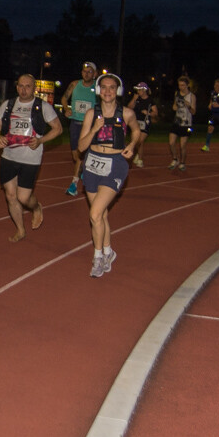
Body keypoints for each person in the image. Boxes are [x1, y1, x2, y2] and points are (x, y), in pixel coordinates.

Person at [78, 73, 141, 277]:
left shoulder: (127, 113)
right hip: (92, 164)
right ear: (98, 91)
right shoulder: (91, 114)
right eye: (103, 87)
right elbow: (81, 147)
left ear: (118, 91)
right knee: (101, 215)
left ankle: (98, 258)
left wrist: (132, 145)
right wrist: (94, 128)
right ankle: (108, 251)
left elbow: (136, 130)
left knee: (95, 214)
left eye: (111, 87)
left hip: (115, 165)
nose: (107, 91)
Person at [0, 73, 63, 242]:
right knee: (10, 195)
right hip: (9, 156)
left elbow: (58, 129)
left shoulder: (42, 107)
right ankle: (20, 229)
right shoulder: (8, 105)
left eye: (28, 86)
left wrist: (40, 141)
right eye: (21, 86)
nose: (24, 90)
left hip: (30, 158)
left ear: (34, 88)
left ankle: (36, 207)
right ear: (17, 87)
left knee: (23, 198)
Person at [61, 61, 98, 195]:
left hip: (89, 126)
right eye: (84, 71)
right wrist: (66, 109)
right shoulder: (74, 84)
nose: (86, 73)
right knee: (76, 156)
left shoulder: (97, 88)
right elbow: (64, 98)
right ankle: (83, 170)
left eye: (90, 71)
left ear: (95, 74)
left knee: (81, 155)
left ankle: (73, 184)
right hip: (75, 124)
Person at [167, 75, 196, 171]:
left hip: (187, 124)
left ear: (187, 85)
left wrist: (189, 106)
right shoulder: (177, 93)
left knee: (183, 145)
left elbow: (193, 112)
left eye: (183, 85)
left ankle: (183, 162)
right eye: (179, 85)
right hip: (177, 122)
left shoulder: (192, 96)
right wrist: (174, 107)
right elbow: (174, 107)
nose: (181, 87)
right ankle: (175, 159)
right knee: (171, 142)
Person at [126, 82, 156, 167]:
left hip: (145, 123)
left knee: (139, 141)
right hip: (135, 122)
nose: (138, 91)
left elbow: (155, 113)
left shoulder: (150, 100)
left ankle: (136, 157)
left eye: (140, 89)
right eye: (138, 89)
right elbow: (129, 107)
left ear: (144, 90)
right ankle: (139, 158)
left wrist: (148, 113)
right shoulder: (136, 99)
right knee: (138, 142)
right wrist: (134, 99)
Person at [202, 79, 219, 153]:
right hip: (213, 114)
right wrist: (210, 105)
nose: (215, 86)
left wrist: (218, 105)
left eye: (217, 85)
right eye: (215, 85)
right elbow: (211, 101)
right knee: (210, 128)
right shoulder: (212, 93)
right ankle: (207, 145)